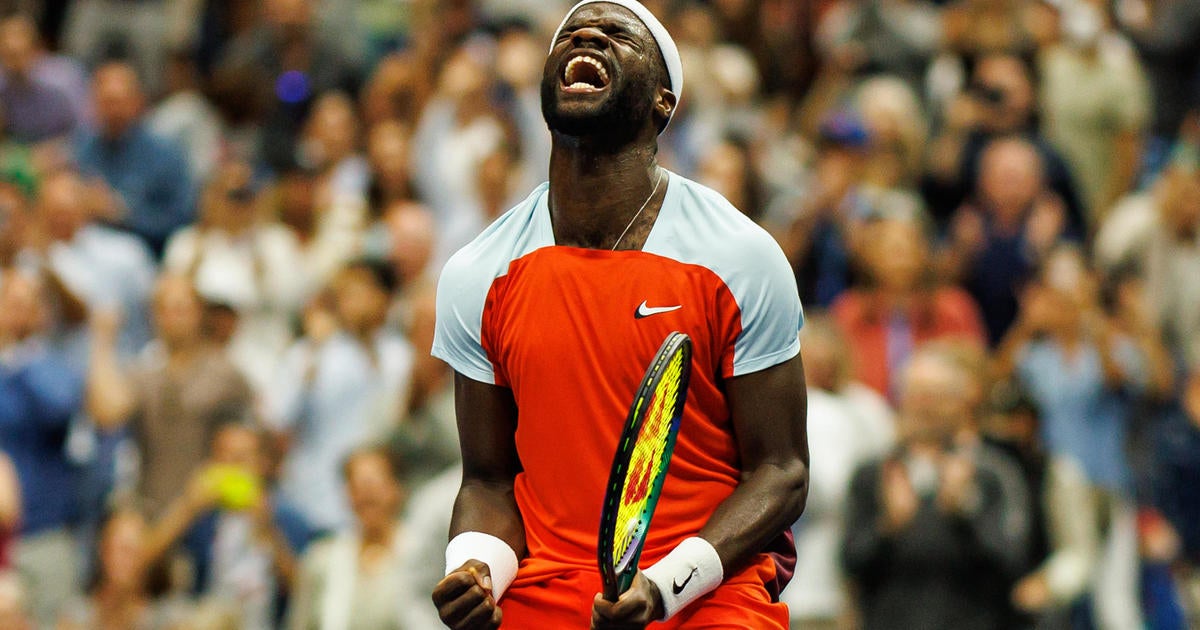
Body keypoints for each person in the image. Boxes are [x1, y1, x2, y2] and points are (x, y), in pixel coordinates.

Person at [431, 2, 808, 628]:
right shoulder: (479, 271)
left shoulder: (740, 256)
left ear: (664, 102)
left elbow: (782, 471)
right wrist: (476, 567)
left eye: (615, 36)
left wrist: (664, 587)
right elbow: (489, 479)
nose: (586, 38)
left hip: (708, 593)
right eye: (572, 34)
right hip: (545, 587)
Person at [841, 345, 1029, 630]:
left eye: (937, 397)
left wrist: (967, 510)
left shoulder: (992, 473)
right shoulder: (874, 474)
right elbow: (849, 562)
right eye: (917, 396)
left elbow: (1012, 563)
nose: (925, 407)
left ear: (960, 403)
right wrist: (887, 527)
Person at [86, 274, 254, 519]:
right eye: (164, 309)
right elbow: (107, 412)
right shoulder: (145, 372)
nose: (172, 318)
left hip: (207, 513)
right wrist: (102, 342)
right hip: (151, 506)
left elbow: (247, 443)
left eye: (181, 309)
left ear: (199, 313)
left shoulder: (225, 374)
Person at [265, 260, 413, 532]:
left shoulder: (401, 354)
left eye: (362, 291)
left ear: (385, 299)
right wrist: (313, 353)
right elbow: (276, 417)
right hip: (315, 503)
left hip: (382, 505)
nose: (353, 301)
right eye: (346, 293)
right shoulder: (312, 352)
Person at [144, 423, 310, 629]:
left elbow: (303, 590)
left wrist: (268, 530)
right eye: (223, 458)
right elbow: (142, 559)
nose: (231, 467)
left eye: (240, 459)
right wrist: (185, 510)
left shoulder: (286, 517)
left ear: (262, 464)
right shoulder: (202, 517)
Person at [0, 270, 85, 626]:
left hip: (43, 532)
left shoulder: (51, 364)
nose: (18, 310)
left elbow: (59, 407)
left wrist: (17, 357)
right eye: (11, 300)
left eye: (28, 302)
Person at [75, 62, 195, 257]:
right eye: (106, 102)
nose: (113, 110)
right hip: (86, 254)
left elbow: (183, 220)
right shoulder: (82, 148)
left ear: (137, 102)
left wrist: (122, 214)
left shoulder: (166, 154)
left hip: (146, 255)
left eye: (118, 101)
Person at [288, 447, 412, 629]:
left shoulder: (420, 556)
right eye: (358, 487)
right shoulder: (321, 559)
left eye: (376, 484)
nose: (367, 495)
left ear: (397, 488)